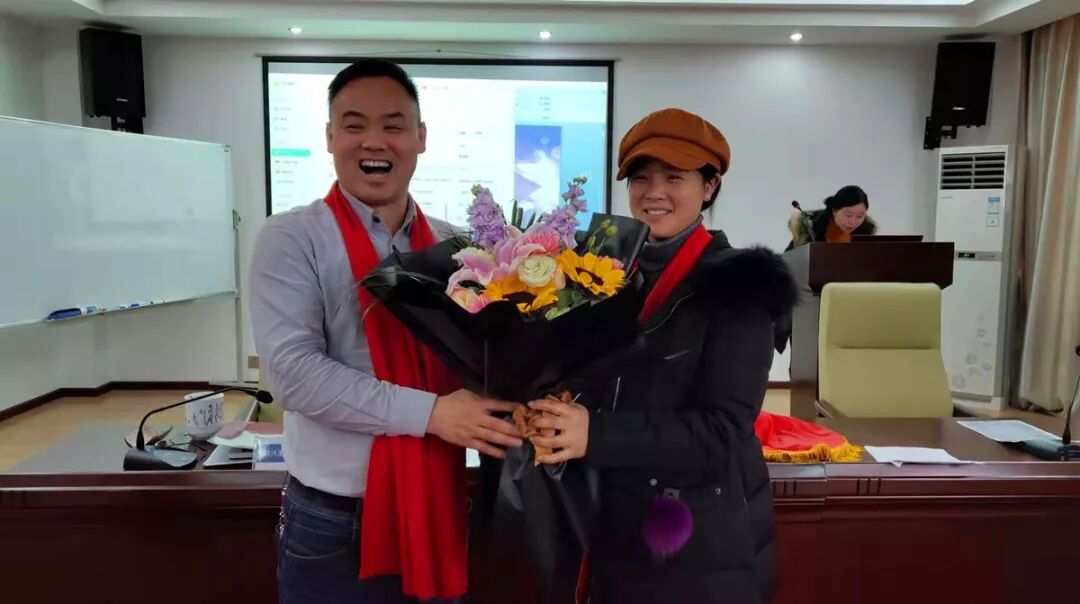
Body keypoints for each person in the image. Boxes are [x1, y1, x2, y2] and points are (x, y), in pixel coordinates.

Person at [249, 60, 523, 604]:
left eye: (393, 125)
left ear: (420, 138)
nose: (374, 141)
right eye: (354, 125)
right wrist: (433, 414)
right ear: (330, 137)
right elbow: (294, 376)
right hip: (335, 522)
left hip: (439, 504)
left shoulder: (458, 247)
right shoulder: (291, 238)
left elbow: (485, 359)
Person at [524, 108, 797, 603]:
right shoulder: (601, 272)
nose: (654, 193)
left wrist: (593, 432)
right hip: (611, 521)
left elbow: (722, 430)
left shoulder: (740, 285)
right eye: (641, 178)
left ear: (709, 187)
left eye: (674, 177)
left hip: (698, 541)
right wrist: (552, 405)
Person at [786, 184, 877, 249]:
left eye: (860, 216)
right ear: (834, 211)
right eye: (848, 215)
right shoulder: (812, 228)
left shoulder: (865, 233)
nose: (853, 222)